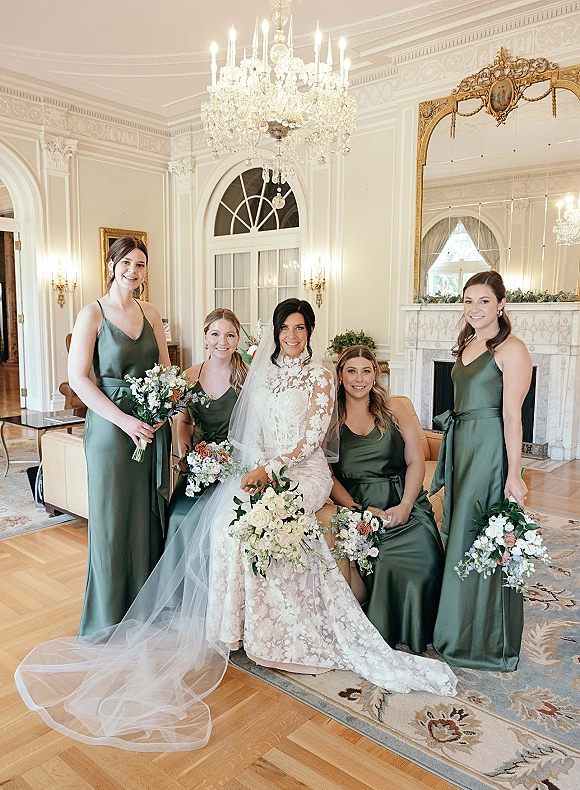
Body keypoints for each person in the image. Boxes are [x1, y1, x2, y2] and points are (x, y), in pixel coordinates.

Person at [15, 298, 457, 753]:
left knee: (276, 522)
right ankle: (234, 628)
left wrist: (274, 469)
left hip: (304, 470)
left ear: (310, 332)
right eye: (284, 327)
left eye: (300, 328)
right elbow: (252, 432)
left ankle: (282, 634)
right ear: (274, 331)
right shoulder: (260, 371)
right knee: (230, 522)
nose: (291, 335)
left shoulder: (322, 376)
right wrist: (255, 465)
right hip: (262, 465)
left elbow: (310, 439)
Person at [67, 235, 172, 636]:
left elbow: (165, 369)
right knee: (113, 520)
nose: (133, 270)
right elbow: (78, 379)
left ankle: (145, 609)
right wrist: (124, 422)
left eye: (140, 264)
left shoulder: (152, 312)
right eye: (126, 262)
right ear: (112, 264)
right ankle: (108, 617)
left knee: (146, 517)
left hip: (150, 426)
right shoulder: (91, 314)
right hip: (112, 433)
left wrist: (161, 411)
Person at [430, 270, 532, 671]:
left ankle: (483, 638)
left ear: (501, 304)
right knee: (461, 531)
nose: (475, 308)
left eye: (484, 301)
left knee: (478, 537)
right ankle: (455, 624)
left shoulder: (512, 349)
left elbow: (512, 417)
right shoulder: (468, 342)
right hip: (462, 446)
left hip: (489, 449)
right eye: (469, 301)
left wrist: (513, 474)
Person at [330, 345, 444, 654]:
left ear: (375, 376)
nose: (359, 379)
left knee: (427, 558)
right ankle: (384, 628)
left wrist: (406, 506)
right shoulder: (329, 417)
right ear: (340, 375)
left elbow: (416, 461)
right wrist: (357, 512)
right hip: (360, 507)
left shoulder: (395, 408)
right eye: (351, 371)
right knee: (384, 561)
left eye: (366, 371)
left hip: (402, 500)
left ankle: (423, 629)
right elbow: (327, 475)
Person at [165, 308, 247, 542]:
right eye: (215, 334)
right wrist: (188, 454)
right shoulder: (189, 376)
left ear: (237, 339)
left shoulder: (247, 378)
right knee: (178, 516)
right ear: (205, 338)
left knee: (221, 521)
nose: (222, 342)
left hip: (236, 465)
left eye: (230, 335)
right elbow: (184, 421)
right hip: (198, 464)